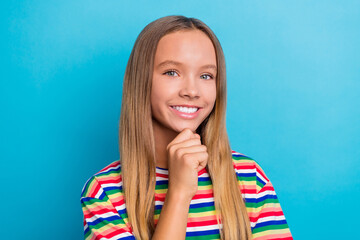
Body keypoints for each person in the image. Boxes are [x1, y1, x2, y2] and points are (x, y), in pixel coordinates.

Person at [80, 15, 293, 240]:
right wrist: (179, 194)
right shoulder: (104, 192)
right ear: (142, 80)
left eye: (206, 75)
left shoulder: (250, 179)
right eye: (172, 72)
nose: (192, 91)